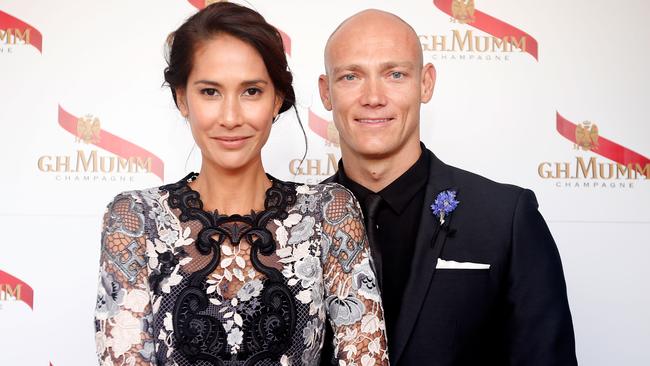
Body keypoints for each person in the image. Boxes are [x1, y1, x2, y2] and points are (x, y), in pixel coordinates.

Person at [94, 3, 388, 365]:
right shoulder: (136, 219)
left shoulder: (329, 212)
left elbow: (365, 356)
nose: (231, 117)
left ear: (277, 98)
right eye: (210, 92)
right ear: (181, 98)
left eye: (251, 91)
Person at [318, 9, 577, 366]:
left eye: (395, 74)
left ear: (425, 83)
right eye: (350, 76)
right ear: (326, 92)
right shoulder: (296, 226)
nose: (373, 96)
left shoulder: (505, 218)